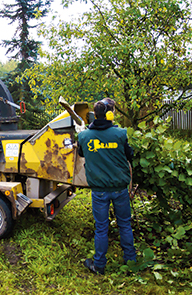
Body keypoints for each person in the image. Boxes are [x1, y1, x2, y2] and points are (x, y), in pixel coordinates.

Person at [77, 98, 136, 275]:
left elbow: (80, 153)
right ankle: (131, 262)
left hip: (100, 191)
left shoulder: (84, 136)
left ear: (95, 115)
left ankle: (99, 265)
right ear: (110, 115)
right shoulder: (120, 134)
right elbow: (130, 155)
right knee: (125, 224)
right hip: (120, 189)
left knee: (101, 228)